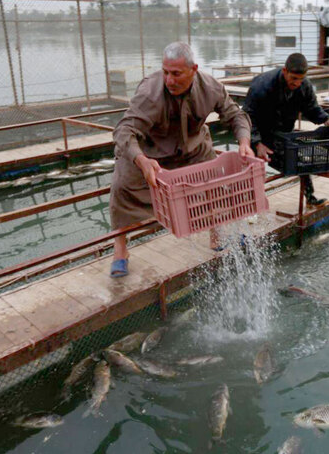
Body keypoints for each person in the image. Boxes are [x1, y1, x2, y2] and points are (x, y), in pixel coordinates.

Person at [109, 42, 255, 278]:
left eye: (176, 74)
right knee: (122, 187)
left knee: (213, 183)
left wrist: (244, 143)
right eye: (165, 72)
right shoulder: (149, 92)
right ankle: (120, 249)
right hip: (150, 152)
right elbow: (124, 130)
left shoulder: (211, 87)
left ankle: (216, 232)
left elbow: (236, 115)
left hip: (193, 148)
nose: (169, 80)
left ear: (193, 69)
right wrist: (141, 160)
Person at [243, 53, 329, 207]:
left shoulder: (304, 85)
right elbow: (247, 116)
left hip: (283, 134)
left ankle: (310, 198)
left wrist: (325, 119)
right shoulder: (262, 85)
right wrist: (257, 143)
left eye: (301, 79)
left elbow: (311, 107)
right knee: (252, 169)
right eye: (294, 78)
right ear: (285, 71)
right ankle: (246, 203)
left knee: (300, 160)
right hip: (259, 132)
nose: (297, 83)